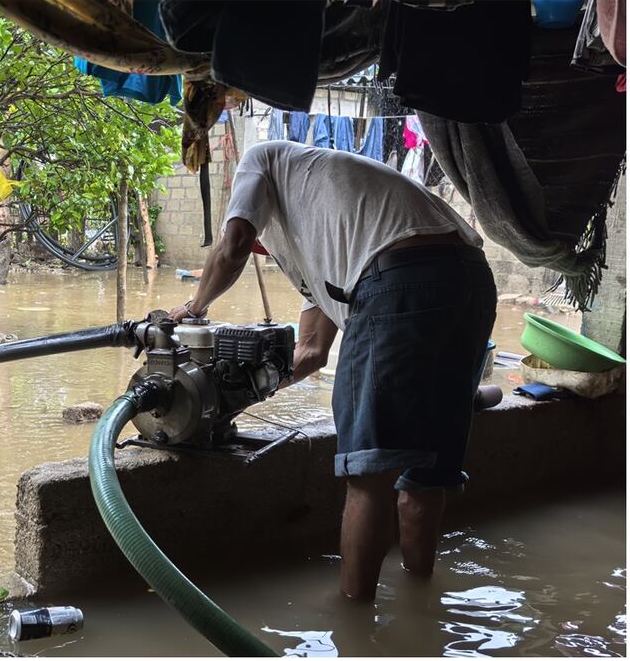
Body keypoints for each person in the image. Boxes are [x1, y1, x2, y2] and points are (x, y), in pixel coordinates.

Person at [168, 140, 496, 601]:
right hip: (471, 281)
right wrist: (240, 393)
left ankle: (354, 625)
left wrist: (192, 308)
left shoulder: (261, 157)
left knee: (368, 476)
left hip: (398, 278)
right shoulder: (331, 234)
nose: (264, 249)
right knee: (426, 474)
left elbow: (234, 244)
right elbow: (311, 352)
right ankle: (421, 601)